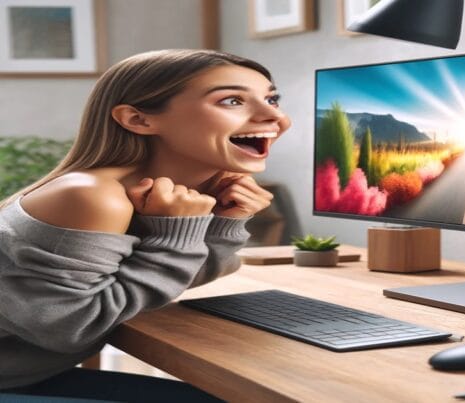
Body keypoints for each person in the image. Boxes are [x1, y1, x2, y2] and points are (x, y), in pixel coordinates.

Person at [0, 49, 290, 402]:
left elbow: (164, 282)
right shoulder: (92, 196)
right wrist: (175, 234)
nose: (275, 117)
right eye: (232, 100)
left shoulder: (152, 193)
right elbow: (71, 329)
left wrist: (224, 223)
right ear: (137, 119)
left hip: (28, 377)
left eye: (271, 99)